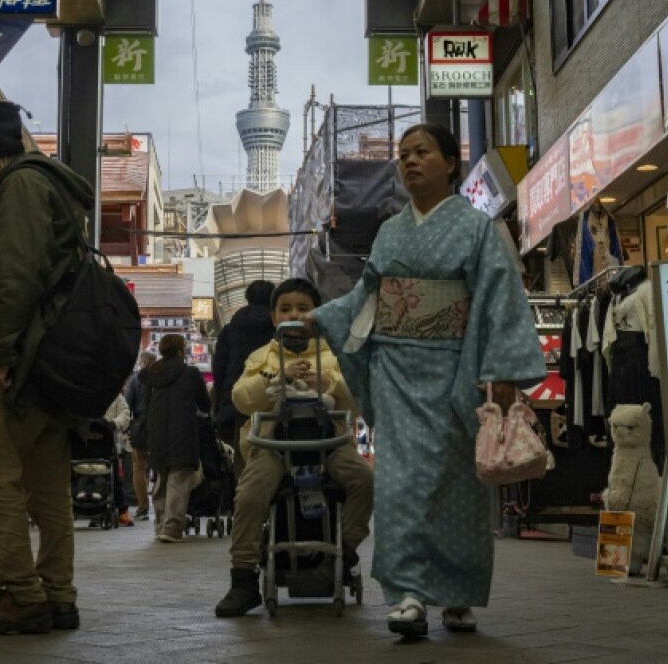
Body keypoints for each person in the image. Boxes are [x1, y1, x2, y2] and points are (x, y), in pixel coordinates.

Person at [303, 124, 545, 638]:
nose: (410, 162)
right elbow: (366, 296)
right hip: (394, 369)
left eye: (422, 152)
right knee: (400, 485)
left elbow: (500, 298)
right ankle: (408, 592)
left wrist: (499, 372)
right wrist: (321, 316)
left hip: (456, 370)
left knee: (458, 484)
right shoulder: (391, 231)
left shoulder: (476, 229)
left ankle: (457, 595)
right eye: (403, 155)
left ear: (450, 163)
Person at [0, 100, 94, 636]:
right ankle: (58, 594)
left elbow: (15, 278)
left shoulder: (18, 189)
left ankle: (22, 592)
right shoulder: (53, 186)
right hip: (57, 362)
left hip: (28, 359)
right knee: (48, 483)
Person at [215, 278, 374, 618]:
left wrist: (328, 382)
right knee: (249, 494)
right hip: (274, 445)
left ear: (317, 314)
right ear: (274, 317)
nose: (294, 314)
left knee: (364, 479)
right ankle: (243, 578)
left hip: (329, 444)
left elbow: (359, 397)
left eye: (303, 308)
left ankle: (343, 553)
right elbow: (242, 399)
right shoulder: (261, 356)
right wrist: (276, 378)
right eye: (286, 308)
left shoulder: (337, 354)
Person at [139, 334, 211, 543]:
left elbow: (147, 405)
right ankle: (172, 527)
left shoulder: (151, 374)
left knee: (161, 477)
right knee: (179, 478)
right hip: (183, 431)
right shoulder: (190, 373)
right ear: (181, 350)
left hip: (157, 431)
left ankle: (160, 524)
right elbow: (204, 405)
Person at [211, 280, 276, 474]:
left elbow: (219, 371)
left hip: (238, 406)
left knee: (243, 462)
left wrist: (220, 408)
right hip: (273, 403)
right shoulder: (279, 328)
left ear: (247, 299)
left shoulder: (230, 330)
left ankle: (244, 500)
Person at [123, 351, 157, 520]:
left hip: (140, 427)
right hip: (159, 427)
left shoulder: (135, 380)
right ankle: (162, 506)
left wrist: (128, 428)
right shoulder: (161, 379)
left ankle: (142, 507)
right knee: (162, 467)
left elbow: (127, 405)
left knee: (139, 467)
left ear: (142, 362)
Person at [97, 392, 133, 527]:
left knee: (115, 478)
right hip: (86, 447)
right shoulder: (84, 391)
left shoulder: (116, 396)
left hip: (108, 446)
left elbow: (125, 415)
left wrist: (113, 424)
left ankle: (122, 509)